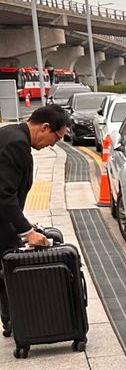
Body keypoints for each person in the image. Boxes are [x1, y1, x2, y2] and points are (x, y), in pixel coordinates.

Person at [0, 104, 70, 337]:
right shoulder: (16, 144)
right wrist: (27, 232)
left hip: (5, 222)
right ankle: (17, 322)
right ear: (45, 127)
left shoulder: (12, 135)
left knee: (5, 270)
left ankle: (12, 321)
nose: (53, 144)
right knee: (9, 269)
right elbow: (4, 195)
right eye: (56, 138)